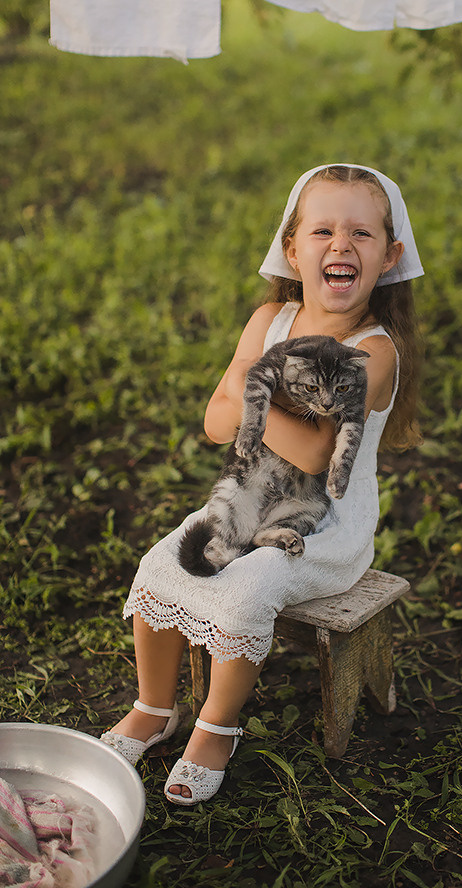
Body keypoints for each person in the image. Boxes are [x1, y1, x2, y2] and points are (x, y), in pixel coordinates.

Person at [100, 163, 424, 805]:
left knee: (251, 586)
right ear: (292, 247)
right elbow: (216, 422)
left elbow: (309, 449)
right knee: (161, 563)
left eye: (361, 233)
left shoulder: (375, 350)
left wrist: (255, 392)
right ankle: (154, 706)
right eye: (322, 230)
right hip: (246, 502)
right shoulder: (270, 318)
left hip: (324, 524)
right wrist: (266, 398)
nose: (340, 245)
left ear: (388, 257)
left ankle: (217, 726)